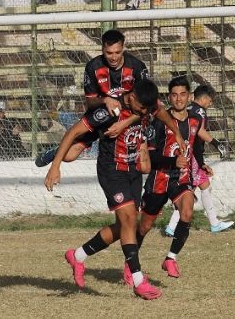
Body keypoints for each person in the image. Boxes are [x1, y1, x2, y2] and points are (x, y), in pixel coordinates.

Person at [44, 79, 162, 300]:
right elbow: (72, 131)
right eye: (142, 108)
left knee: (123, 227)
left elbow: (146, 113)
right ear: (132, 97)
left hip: (133, 171)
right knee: (128, 221)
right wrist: (55, 167)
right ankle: (138, 281)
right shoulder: (107, 111)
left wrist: (128, 125)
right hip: (112, 170)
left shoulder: (142, 106)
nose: (145, 112)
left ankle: (77, 256)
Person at [36, 29, 185, 166]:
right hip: (102, 115)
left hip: (131, 116)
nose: (114, 57)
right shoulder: (93, 67)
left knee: (144, 167)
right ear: (102, 50)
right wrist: (105, 100)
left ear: (123, 48)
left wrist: (123, 123)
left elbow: (148, 104)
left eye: (117, 52)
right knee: (69, 156)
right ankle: (56, 152)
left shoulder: (137, 67)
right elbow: (90, 101)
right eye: (109, 53)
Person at [133, 77, 200, 283]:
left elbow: (196, 145)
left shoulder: (196, 119)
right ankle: (130, 264)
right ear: (168, 97)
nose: (178, 99)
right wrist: (173, 161)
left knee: (187, 211)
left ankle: (170, 258)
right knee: (144, 226)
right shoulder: (159, 122)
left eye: (183, 94)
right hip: (159, 178)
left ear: (190, 96)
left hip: (181, 178)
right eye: (174, 94)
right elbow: (150, 157)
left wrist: (202, 162)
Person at [165, 84, 233, 235]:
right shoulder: (199, 111)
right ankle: (174, 226)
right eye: (211, 100)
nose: (211, 103)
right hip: (192, 157)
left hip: (189, 156)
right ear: (204, 98)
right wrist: (216, 144)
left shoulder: (188, 109)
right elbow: (198, 133)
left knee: (200, 187)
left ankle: (173, 226)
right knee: (194, 189)